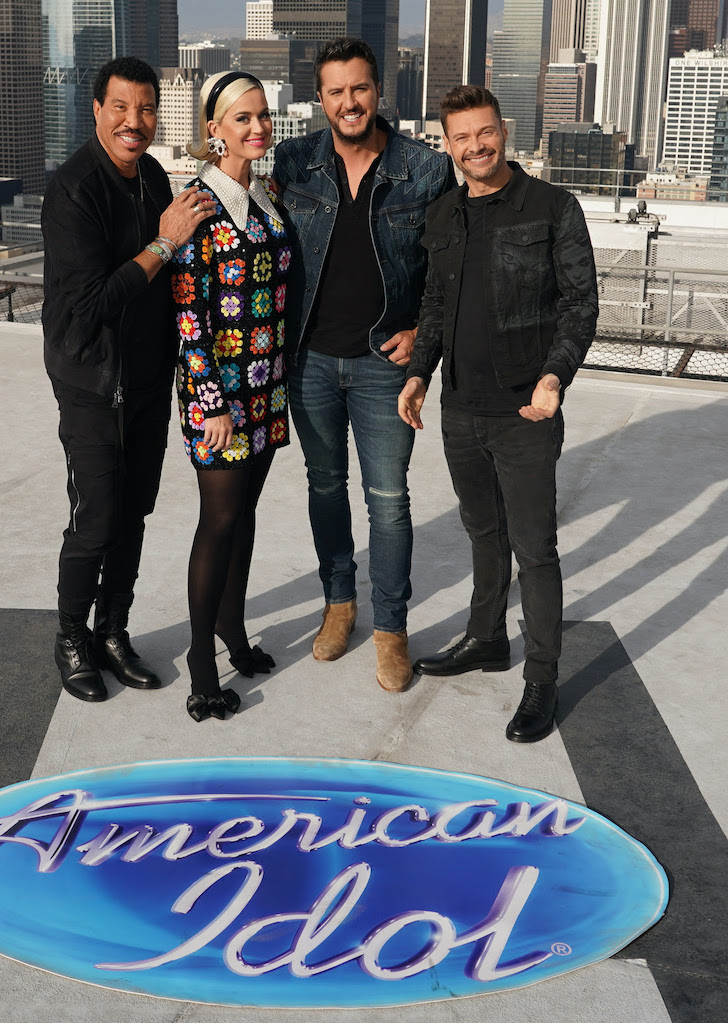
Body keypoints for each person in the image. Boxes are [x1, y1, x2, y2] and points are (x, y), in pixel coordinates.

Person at [398, 85, 598, 742]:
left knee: (534, 549)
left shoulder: (552, 207)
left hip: (525, 411)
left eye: (485, 132)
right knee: (483, 532)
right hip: (460, 408)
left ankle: (542, 678)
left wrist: (554, 376)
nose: (475, 146)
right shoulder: (444, 213)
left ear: (503, 131)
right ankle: (485, 638)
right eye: (462, 137)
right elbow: (433, 304)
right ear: (447, 144)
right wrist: (419, 373)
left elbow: (579, 305)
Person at [272, 37, 455, 692]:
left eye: (359, 88)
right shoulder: (294, 161)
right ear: (319, 98)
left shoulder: (425, 169)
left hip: (384, 363)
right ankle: (339, 604)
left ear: (378, 90)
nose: (349, 101)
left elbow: (447, 269)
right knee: (325, 486)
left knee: (388, 501)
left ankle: (391, 630)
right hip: (310, 360)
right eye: (336, 91)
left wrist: (423, 339)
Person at [42, 56, 216, 702]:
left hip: (145, 377)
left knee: (135, 511)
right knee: (96, 518)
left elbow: (175, 270)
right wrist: (164, 243)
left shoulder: (150, 175)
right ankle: (71, 637)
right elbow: (92, 304)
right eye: (120, 107)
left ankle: (112, 631)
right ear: (97, 110)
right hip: (91, 378)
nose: (133, 121)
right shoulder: (73, 189)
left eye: (145, 108)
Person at [173, 71, 291, 723]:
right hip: (217, 395)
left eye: (263, 115)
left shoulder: (266, 197)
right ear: (213, 129)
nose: (257, 127)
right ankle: (200, 665)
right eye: (242, 118)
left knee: (243, 516)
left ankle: (233, 630)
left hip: (265, 388)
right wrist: (211, 402)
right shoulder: (197, 205)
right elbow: (188, 317)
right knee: (217, 521)